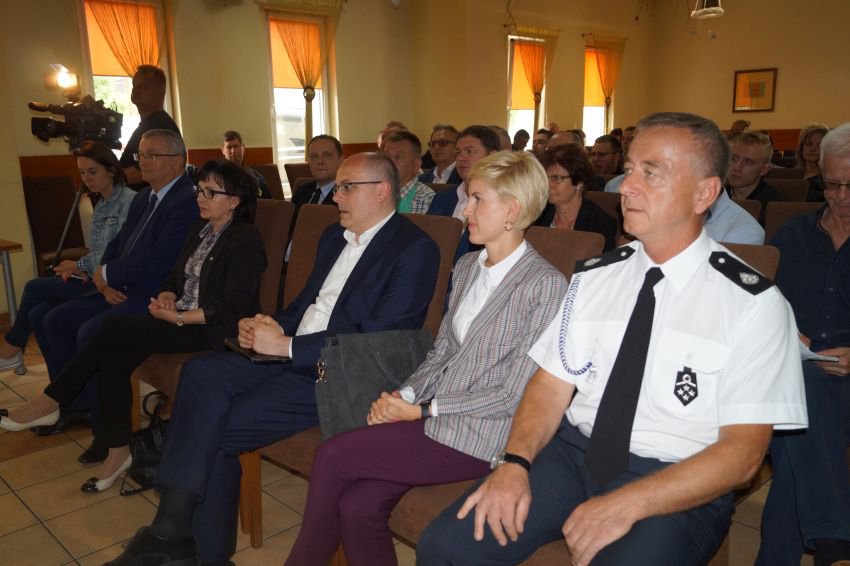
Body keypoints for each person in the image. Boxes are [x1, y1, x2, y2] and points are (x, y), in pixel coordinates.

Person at [418, 112, 807, 566]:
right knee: (445, 546)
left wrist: (628, 502)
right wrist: (515, 462)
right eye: (630, 169)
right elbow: (549, 385)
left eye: (651, 173)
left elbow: (743, 455)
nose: (627, 186)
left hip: (677, 475)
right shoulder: (595, 277)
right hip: (572, 455)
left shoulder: (753, 304)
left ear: (705, 193)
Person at [106, 152, 441, 565]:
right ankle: (174, 534)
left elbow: (379, 339)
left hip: (340, 376)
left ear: (382, 191)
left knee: (212, 429)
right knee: (201, 374)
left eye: (346, 188)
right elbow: (305, 305)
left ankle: (183, 542)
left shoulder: (414, 249)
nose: (336, 197)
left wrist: (286, 347)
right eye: (337, 188)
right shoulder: (334, 237)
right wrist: (269, 325)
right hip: (291, 354)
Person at [286, 150, 569, 566]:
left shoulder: (545, 286)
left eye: (478, 200)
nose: (466, 210)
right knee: (358, 507)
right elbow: (443, 350)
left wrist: (422, 410)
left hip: (483, 432)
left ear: (512, 209)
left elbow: (513, 395)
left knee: (332, 455)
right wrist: (403, 394)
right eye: (468, 198)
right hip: (434, 416)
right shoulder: (469, 266)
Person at [0, 160, 265, 494]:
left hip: (211, 328)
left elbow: (234, 306)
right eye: (200, 190)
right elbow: (174, 277)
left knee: (111, 330)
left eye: (210, 192)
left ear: (235, 201)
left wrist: (178, 317)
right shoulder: (200, 229)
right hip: (178, 317)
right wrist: (168, 296)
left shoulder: (246, 239)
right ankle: (116, 450)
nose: (200, 197)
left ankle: (53, 401)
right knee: (114, 355)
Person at [34, 129, 198, 460]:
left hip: (152, 293)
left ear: (178, 161)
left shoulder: (186, 201)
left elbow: (161, 260)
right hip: (120, 287)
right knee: (54, 319)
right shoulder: (145, 196)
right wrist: (104, 278)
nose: (144, 161)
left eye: (153, 155)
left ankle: (107, 435)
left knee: (90, 332)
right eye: (141, 155)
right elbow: (117, 244)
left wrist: (109, 275)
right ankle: (78, 407)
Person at [756, 122, 850, 566]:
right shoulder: (792, 235)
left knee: (795, 441)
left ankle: (827, 538)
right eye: (832, 184)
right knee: (804, 388)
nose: (841, 196)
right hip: (796, 374)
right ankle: (833, 541)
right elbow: (760, 307)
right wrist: (786, 334)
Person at [0, 142, 135, 373]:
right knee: (37, 314)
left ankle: (12, 346)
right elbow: (97, 251)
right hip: (95, 277)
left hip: (113, 283)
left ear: (111, 170)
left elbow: (115, 253)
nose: (87, 178)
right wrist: (79, 269)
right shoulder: (102, 204)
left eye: (92, 171)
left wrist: (78, 265)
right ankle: (60, 385)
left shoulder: (129, 201)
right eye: (82, 173)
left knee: (34, 287)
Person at [533, 145, 618, 251]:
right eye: (545, 178)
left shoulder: (601, 224)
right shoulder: (537, 216)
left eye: (556, 178)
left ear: (579, 182)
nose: (547, 185)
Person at [118, 65, 181, 189]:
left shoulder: (161, 127)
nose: (136, 90)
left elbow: (143, 171)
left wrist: (108, 177)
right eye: (134, 86)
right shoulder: (146, 125)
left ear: (161, 94)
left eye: (143, 87)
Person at [427, 125, 500, 221]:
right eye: (458, 152)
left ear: (492, 157)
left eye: (470, 151)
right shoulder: (441, 199)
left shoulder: (502, 201)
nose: (461, 158)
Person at [725, 131, 786, 224]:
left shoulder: (776, 206)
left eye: (748, 162)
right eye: (733, 159)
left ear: (764, 170)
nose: (737, 167)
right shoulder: (713, 197)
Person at [383, 131, 435, 213]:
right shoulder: (374, 193)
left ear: (416, 165)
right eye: (386, 156)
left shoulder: (424, 198)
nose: (390, 162)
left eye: (398, 157)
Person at [290, 135, 344, 209]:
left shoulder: (347, 195)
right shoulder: (302, 191)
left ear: (341, 160)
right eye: (314, 156)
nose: (320, 161)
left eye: (326, 155)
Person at [220, 130, 270, 198]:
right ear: (223, 150)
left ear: (243, 148)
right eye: (229, 147)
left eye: (236, 146)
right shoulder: (217, 178)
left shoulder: (257, 177)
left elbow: (268, 202)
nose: (233, 151)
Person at [797, 123, 830, 202]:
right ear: (801, 148)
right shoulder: (793, 175)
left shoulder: (830, 181)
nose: (812, 149)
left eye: (819, 145)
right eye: (809, 144)